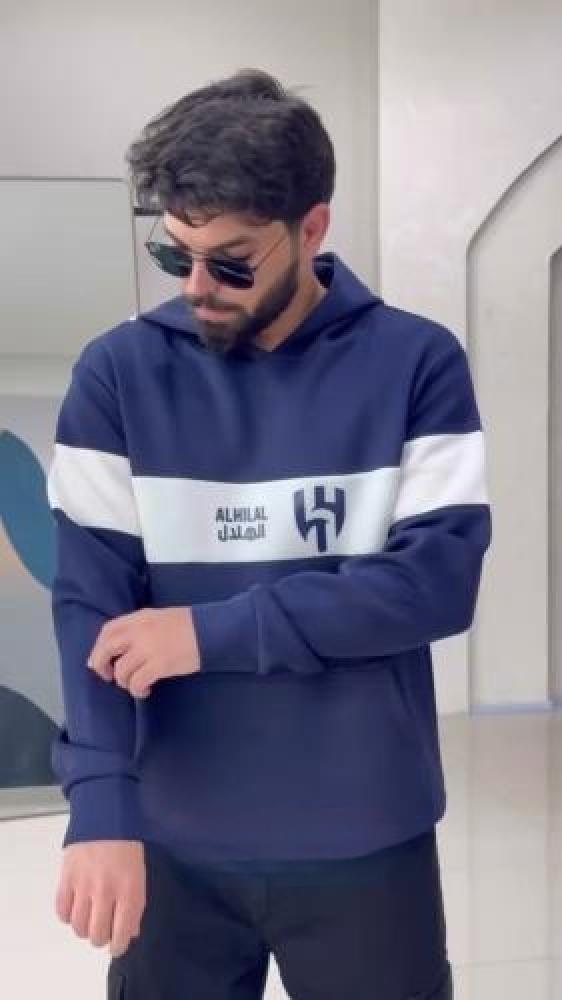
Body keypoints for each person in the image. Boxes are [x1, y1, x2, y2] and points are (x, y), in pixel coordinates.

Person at [47, 67, 492, 1000]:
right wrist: (100, 799)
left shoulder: (417, 363)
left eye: (233, 262)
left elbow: (434, 585)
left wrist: (204, 634)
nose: (197, 286)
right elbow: (89, 604)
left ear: (312, 228)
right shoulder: (117, 374)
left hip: (367, 837)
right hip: (172, 843)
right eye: (176, 255)